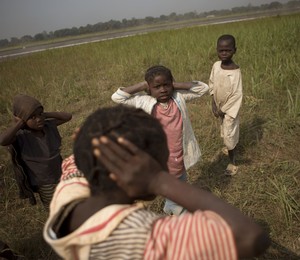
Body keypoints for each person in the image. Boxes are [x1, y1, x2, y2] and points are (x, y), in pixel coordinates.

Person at [43, 105, 270, 260]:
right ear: (133, 175)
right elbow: (249, 236)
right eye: (160, 164)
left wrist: (88, 140)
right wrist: (159, 181)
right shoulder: (141, 237)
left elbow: (73, 166)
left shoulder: (67, 196)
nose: (165, 168)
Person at [111, 65, 209, 215]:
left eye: (166, 85)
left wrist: (174, 85)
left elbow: (203, 88)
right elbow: (117, 97)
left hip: (179, 150)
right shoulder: (143, 101)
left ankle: (172, 205)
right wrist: (143, 85)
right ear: (149, 88)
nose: (163, 90)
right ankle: (175, 210)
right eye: (157, 86)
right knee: (172, 183)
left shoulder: (178, 97)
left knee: (181, 177)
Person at [0, 94, 72, 209]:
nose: (38, 119)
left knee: (69, 201)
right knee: (54, 207)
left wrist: (44, 115)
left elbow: (68, 116)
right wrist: (19, 123)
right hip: (44, 182)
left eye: (40, 114)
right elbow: (3, 140)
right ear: (23, 120)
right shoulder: (21, 135)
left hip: (61, 174)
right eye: (32, 117)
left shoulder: (47, 125)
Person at [209, 34, 243, 176]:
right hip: (219, 107)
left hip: (229, 110)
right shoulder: (216, 66)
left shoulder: (235, 72)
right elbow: (212, 83)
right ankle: (229, 146)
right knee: (224, 130)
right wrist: (214, 104)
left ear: (234, 50)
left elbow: (237, 95)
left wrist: (223, 110)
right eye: (221, 50)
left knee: (229, 132)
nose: (224, 53)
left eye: (227, 50)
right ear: (217, 50)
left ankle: (233, 162)